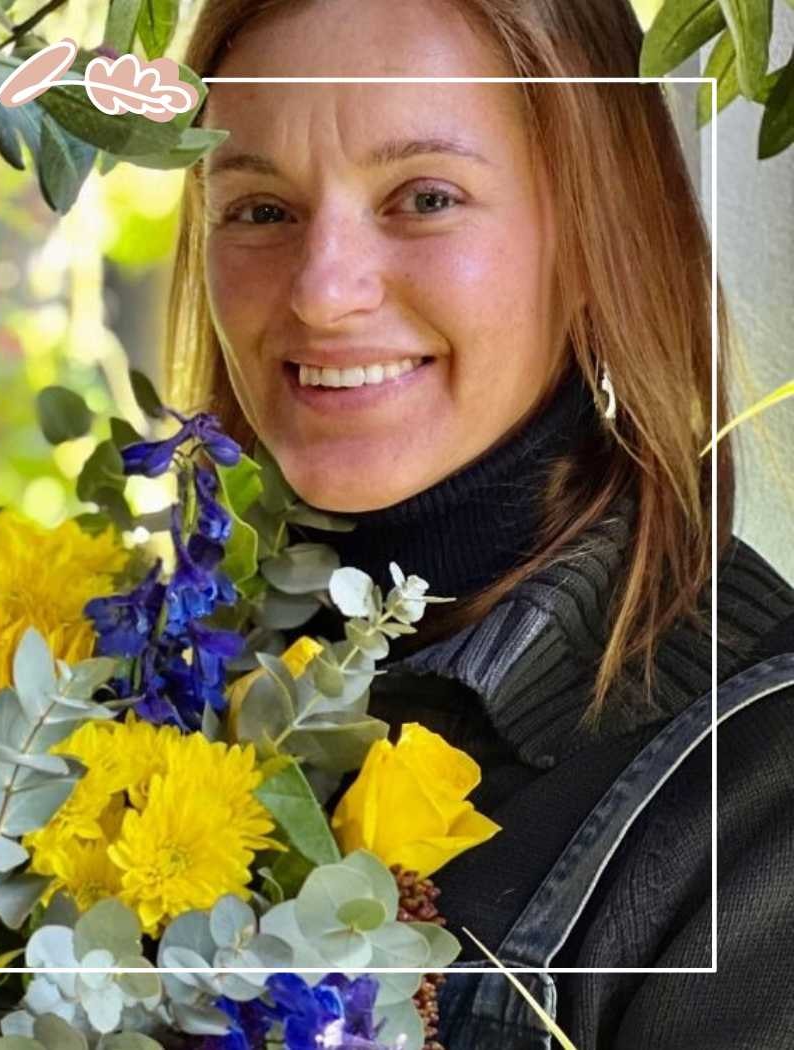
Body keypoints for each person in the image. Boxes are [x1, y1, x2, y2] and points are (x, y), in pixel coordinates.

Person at [165, 0, 794, 1047]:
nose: (321, 294)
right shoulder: (128, 699)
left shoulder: (757, 800)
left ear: (597, 231)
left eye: (423, 197)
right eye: (259, 209)